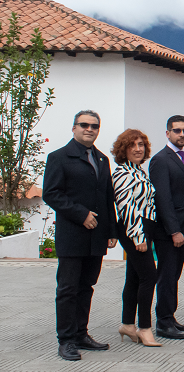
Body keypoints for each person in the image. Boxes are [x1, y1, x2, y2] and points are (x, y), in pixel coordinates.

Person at [43, 110, 118, 361]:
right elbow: (51, 194)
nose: (90, 129)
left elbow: (108, 197)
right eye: (84, 125)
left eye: (94, 126)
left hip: (96, 237)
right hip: (72, 234)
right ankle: (65, 340)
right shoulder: (59, 157)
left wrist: (111, 230)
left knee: (87, 285)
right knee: (67, 289)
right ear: (74, 128)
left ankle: (81, 334)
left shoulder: (102, 159)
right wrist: (81, 214)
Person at [111, 129, 161, 347]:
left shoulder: (139, 171)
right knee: (150, 276)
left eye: (141, 145)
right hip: (134, 230)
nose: (138, 149)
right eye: (133, 145)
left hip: (145, 229)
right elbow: (126, 207)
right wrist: (138, 235)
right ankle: (144, 327)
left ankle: (127, 324)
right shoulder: (122, 173)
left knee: (133, 276)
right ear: (124, 149)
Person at [149, 115, 184, 340]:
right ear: (168, 133)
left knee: (174, 275)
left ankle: (170, 316)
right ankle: (163, 323)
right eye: (177, 131)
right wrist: (174, 230)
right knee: (166, 276)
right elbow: (163, 198)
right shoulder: (160, 160)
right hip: (169, 231)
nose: (182, 134)